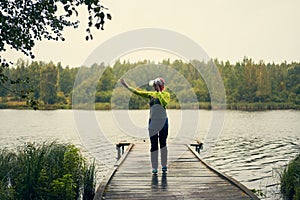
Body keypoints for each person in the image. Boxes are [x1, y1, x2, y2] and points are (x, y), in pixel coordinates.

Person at [120, 77, 170, 174]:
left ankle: (164, 166)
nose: (154, 87)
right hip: (153, 122)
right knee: (154, 145)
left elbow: (164, 102)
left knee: (163, 144)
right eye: (154, 86)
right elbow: (137, 92)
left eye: (156, 85)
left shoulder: (166, 94)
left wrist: (159, 92)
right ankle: (154, 167)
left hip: (163, 122)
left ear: (160, 86)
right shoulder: (150, 94)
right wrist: (126, 86)